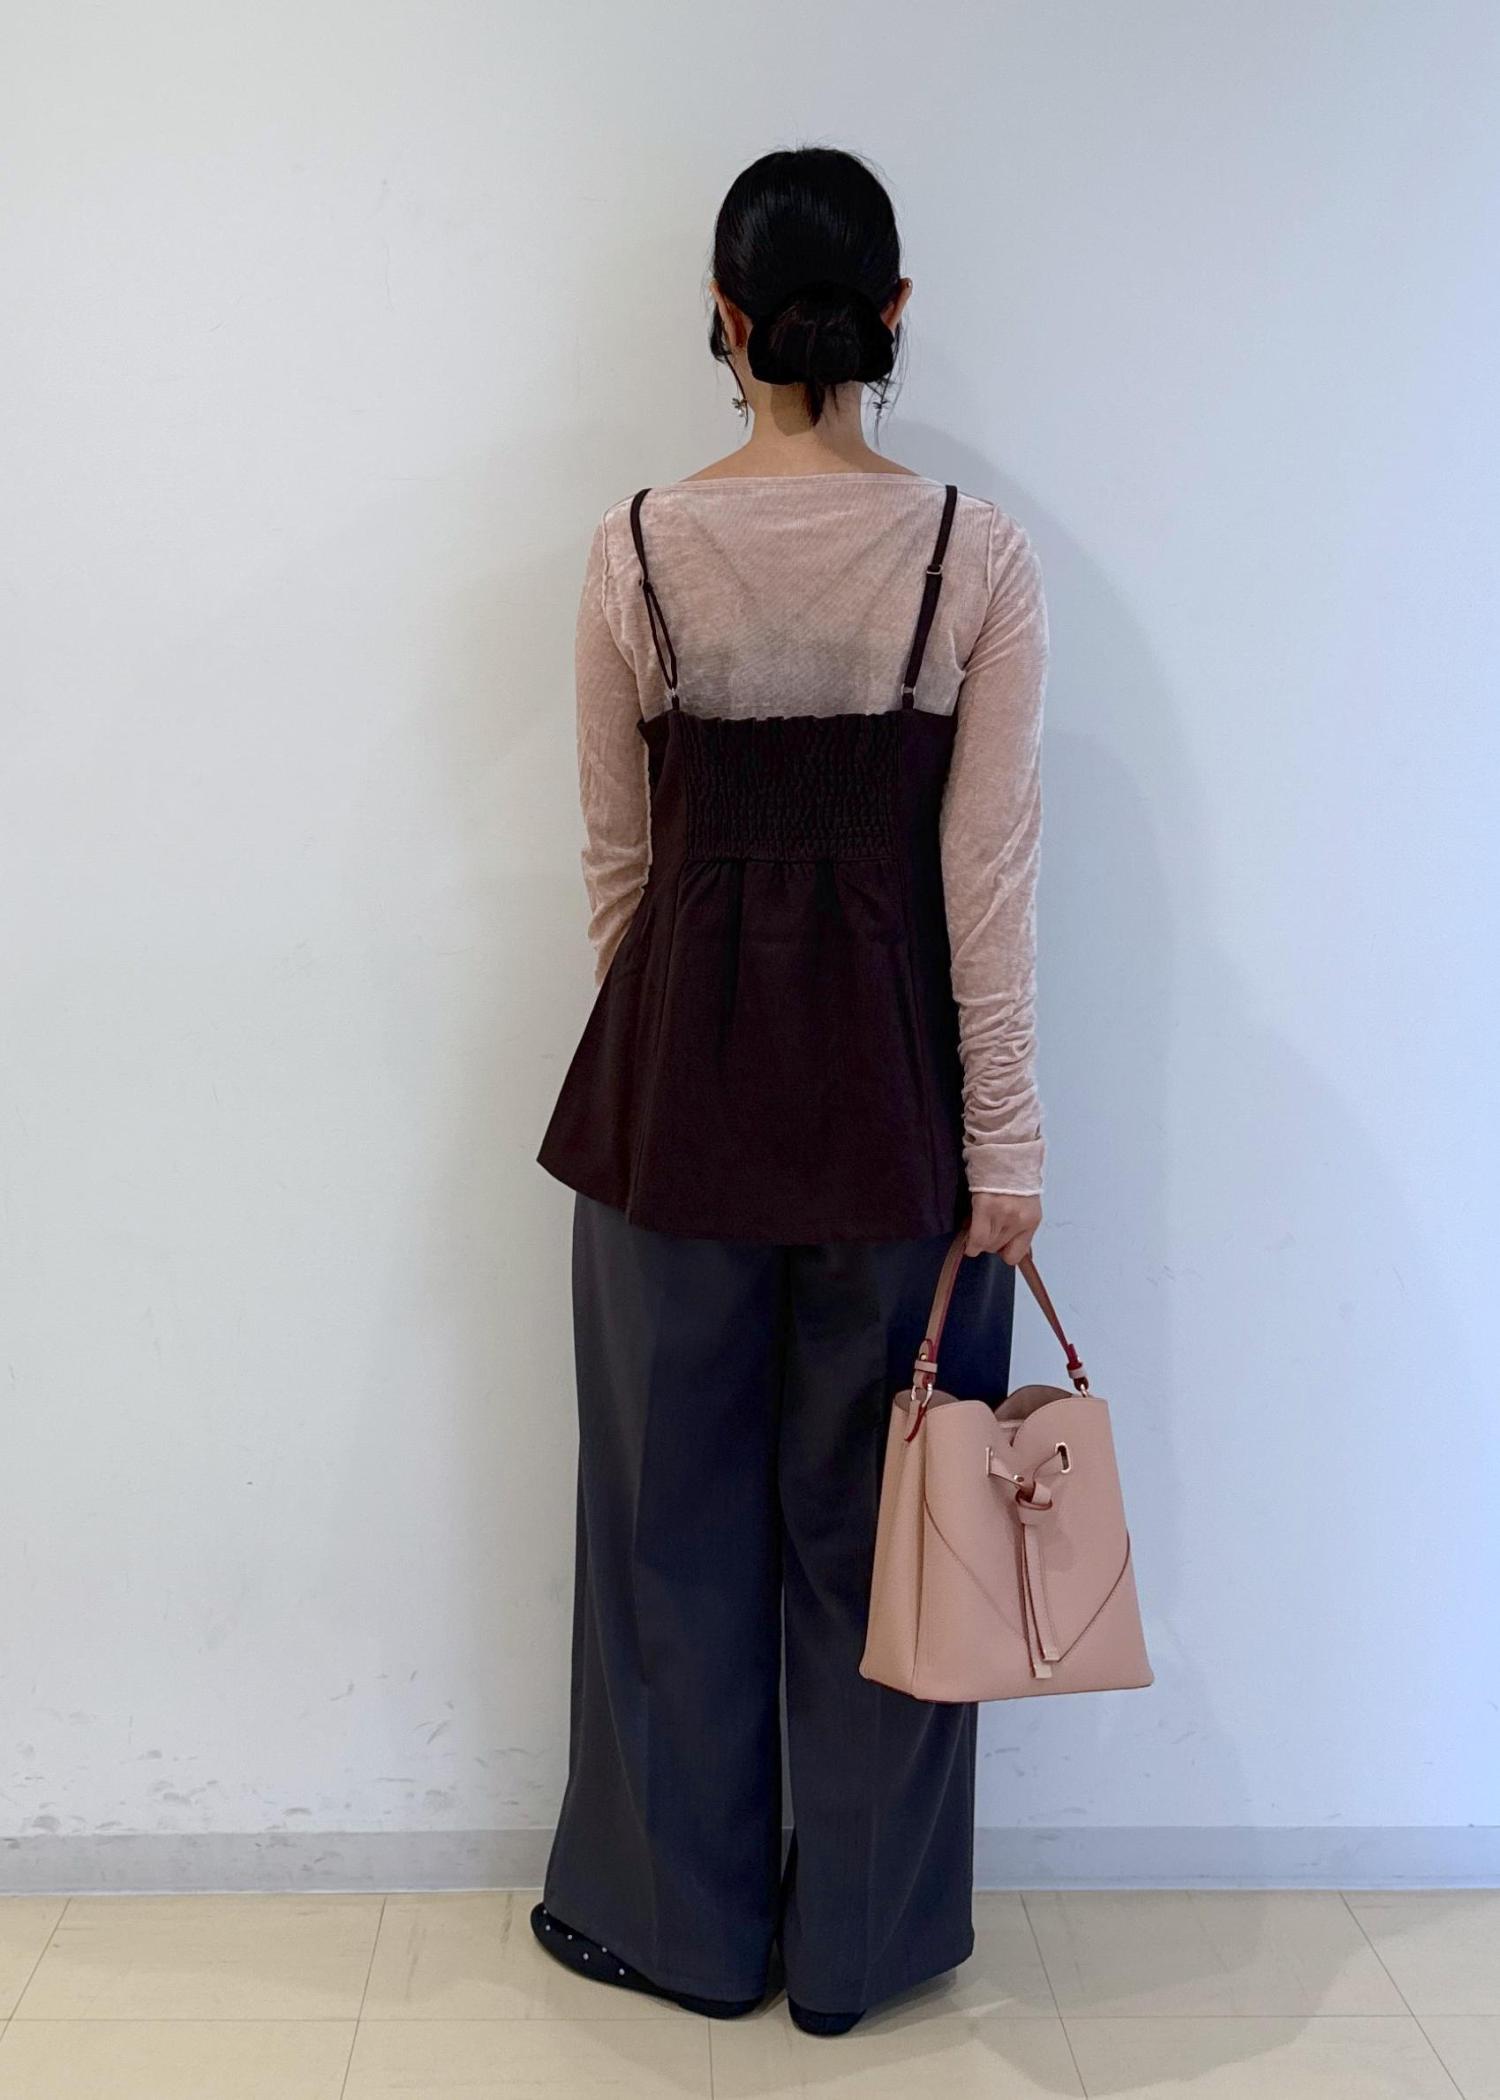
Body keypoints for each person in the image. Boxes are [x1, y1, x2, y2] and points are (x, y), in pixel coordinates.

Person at [533, 144, 1048, 2036]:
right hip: (900, 1117)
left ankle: (682, 1933)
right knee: (896, 1529)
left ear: (726, 319)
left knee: (665, 1525)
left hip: (670, 1106)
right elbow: (987, 879)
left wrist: (681, 1051)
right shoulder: (972, 555)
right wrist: (1007, 1143)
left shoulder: (637, 547)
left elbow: (618, 871)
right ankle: (861, 1952)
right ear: (894, 315)